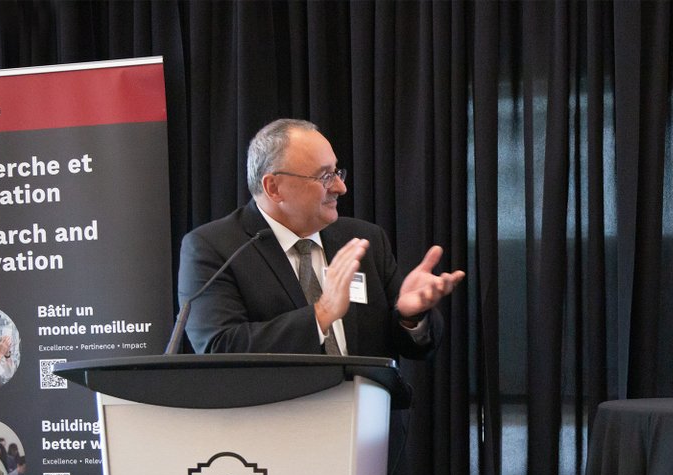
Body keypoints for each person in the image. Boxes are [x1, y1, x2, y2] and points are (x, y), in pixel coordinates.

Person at [178, 118, 464, 358]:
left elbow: (413, 349)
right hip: (277, 421)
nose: (341, 187)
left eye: (337, 171)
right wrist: (322, 314)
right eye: (325, 176)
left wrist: (409, 316)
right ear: (274, 187)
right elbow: (220, 347)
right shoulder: (215, 248)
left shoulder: (365, 240)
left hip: (368, 420)